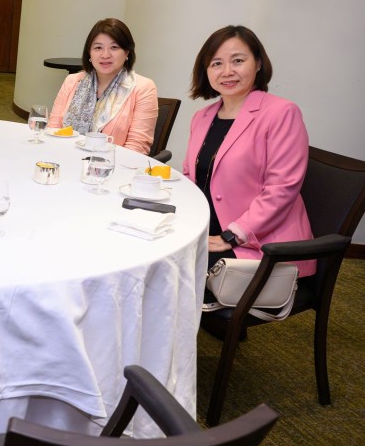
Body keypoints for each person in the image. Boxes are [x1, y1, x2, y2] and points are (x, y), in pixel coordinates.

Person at [182, 25, 314, 276]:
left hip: (258, 245)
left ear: (258, 64)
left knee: (172, 275)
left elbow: (281, 189)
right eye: (216, 63)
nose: (227, 71)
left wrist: (231, 236)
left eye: (238, 61)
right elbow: (191, 177)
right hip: (206, 233)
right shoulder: (202, 117)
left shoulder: (281, 113)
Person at [50, 18, 157, 153]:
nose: (105, 55)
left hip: (111, 167)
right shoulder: (72, 81)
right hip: (64, 160)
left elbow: (137, 147)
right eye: (98, 47)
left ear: (127, 52)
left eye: (114, 47)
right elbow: (53, 130)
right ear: (89, 53)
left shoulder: (144, 88)